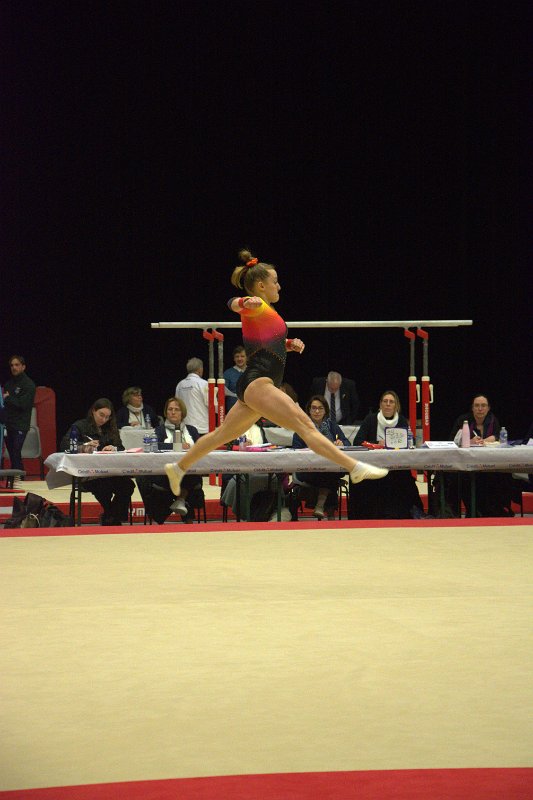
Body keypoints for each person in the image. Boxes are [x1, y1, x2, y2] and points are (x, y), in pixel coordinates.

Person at [164, 248, 388, 498]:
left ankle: (178, 467)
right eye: (275, 281)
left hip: (254, 385)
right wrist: (243, 302)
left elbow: (265, 344)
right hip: (258, 383)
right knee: (306, 426)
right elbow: (232, 303)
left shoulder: (267, 311)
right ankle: (354, 468)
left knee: (221, 435)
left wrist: (288, 345)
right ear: (261, 285)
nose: (279, 286)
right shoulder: (257, 304)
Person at [349, 390, 423, 519]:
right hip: (372, 466)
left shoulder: (401, 420)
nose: (388, 404)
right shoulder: (370, 419)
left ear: (396, 406)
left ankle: (407, 513)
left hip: (395, 467)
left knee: (405, 479)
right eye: (385, 401)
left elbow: (408, 442)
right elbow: (358, 441)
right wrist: (377, 443)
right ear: (380, 404)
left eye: (391, 402)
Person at [60, 398, 135, 525]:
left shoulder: (111, 428)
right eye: (101, 415)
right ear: (93, 411)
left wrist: (113, 448)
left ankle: (110, 516)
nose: (104, 419)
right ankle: (112, 518)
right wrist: (84, 445)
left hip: (110, 472)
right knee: (103, 486)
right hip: (88, 474)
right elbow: (65, 445)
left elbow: (121, 448)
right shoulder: (80, 426)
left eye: (107, 417)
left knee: (128, 485)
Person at [447, 394, 513, 516]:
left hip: (489, 464)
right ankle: (472, 511)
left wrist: (490, 439)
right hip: (466, 465)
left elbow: (498, 437)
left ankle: (494, 510)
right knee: (460, 480)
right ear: (472, 408)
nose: (480, 409)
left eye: (483, 405)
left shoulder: (493, 420)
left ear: (488, 408)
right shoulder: (463, 420)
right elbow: (452, 441)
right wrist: (468, 441)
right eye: (477, 406)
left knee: (502, 476)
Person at [291, 395, 350, 519]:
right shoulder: (302, 428)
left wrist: (341, 443)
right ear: (309, 410)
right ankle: (326, 509)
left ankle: (321, 505)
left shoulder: (332, 426)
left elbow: (347, 442)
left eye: (320, 408)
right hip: (308, 469)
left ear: (325, 411)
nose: (317, 411)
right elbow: (295, 450)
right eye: (314, 408)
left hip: (329, 467)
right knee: (330, 474)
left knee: (330, 471)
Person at [148, 397, 204, 523]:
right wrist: (177, 446)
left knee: (189, 476)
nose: (173, 412)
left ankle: (181, 502)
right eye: (170, 409)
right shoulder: (159, 430)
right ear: (166, 412)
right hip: (165, 472)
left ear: (182, 413)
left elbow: (200, 447)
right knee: (178, 477)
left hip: (189, 470)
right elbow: (156, 446)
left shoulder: (192, 430)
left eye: (177, 409)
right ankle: (181, 502)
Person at [2, 355, 36, 473]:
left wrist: (8, 398)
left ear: (23, 367)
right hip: (8, 425)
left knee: (16, 452)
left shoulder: (29, 385)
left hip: (20, 425)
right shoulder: (8, 384)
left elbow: (23, 404)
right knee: (13, 454)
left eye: (17, 365)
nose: (14, 367)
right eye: (12, 365)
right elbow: (6, 404)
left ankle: (19, 478)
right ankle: (16, 478)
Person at [175, 357, 210, 434]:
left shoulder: (180, 385)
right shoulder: (203, 383)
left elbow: (176, 405)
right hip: (202, 428)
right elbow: (212, 404)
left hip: (184, 428)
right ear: (200, 369)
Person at [223, 346, 247, 413]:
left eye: (242, 356)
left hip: (251, 411)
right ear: (234, 359)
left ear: (247, 358)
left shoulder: (252, 372)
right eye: (237, 356)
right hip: (233, 412)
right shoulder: (227, 373)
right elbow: (221, 394)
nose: (239, 359)